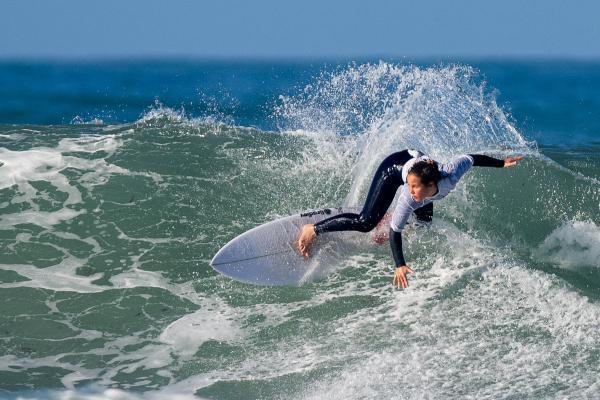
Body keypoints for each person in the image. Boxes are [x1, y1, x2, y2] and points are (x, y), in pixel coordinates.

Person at [297, 149, 524, 289]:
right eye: (410, 186)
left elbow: (472, 159)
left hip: (419, 167)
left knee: (423, 224)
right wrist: (400, 265)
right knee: (366, 223)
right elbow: (395, 232)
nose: (411, 190)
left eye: (415, 187)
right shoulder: (409, 195)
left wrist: (501, 164)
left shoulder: (450, 174)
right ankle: (314, 229)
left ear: (431, 185)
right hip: (392, 168)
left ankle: (389, 217)